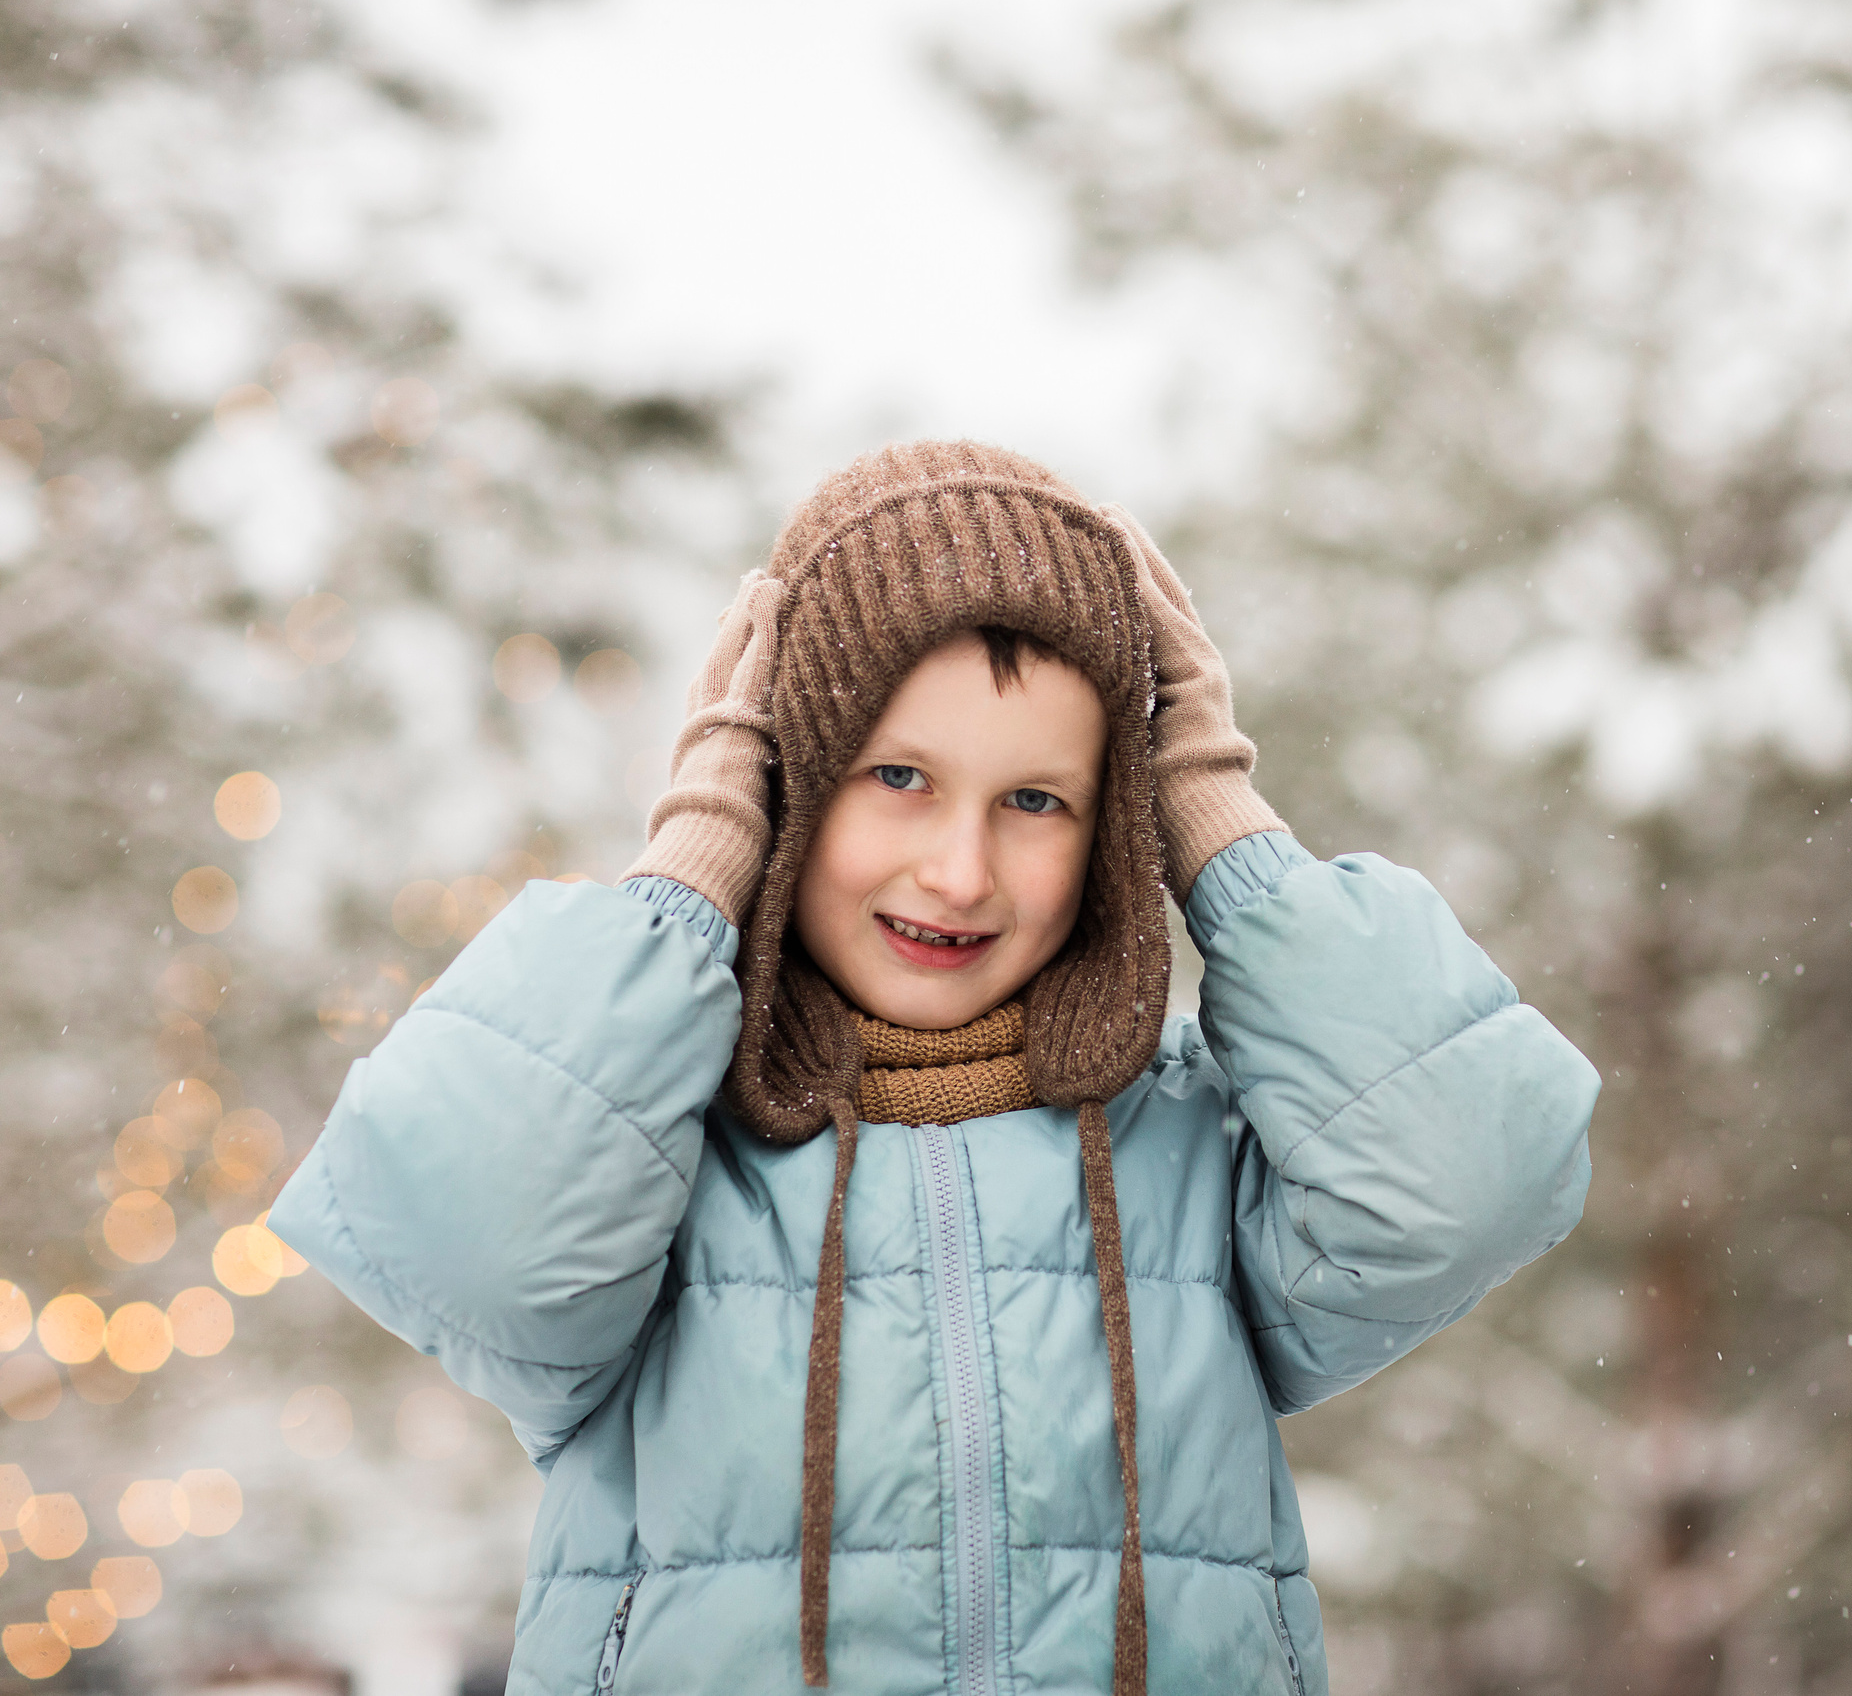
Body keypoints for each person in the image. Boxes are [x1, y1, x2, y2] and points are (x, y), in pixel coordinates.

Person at [268, 441, 1598, 1694]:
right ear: (790, 785)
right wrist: (693, 869)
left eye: (1037, 800)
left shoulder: (1192, 1148)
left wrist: (1220, 825)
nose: (960, 871)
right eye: (897, 776)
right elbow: (473, 1240)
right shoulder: (661, 1156)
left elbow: (1466, 1176)